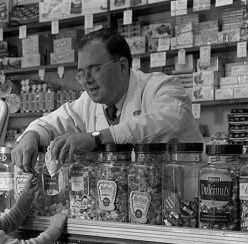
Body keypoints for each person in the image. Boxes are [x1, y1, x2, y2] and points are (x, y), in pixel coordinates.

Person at [11, 28, 203, 172]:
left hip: (181, 204)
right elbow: (51, 122)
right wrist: (32, 135)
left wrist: (97, 138)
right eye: (81, 73)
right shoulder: (87, 102)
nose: (87, 79)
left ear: (122, 66)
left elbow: (168, 121)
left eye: (95, 69)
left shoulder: (161, 87)